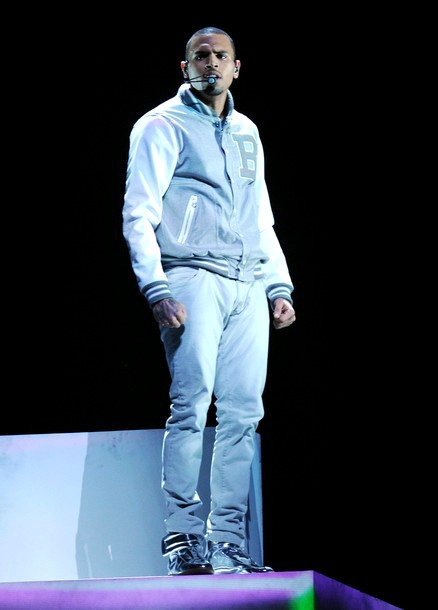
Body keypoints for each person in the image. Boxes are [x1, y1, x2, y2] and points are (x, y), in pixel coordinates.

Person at [122, 26, 296, 576]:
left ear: (236, 67)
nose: (212, 63)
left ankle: (227, 542)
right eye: (202, 56)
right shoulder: (162, 125)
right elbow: (138, 213)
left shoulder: (247, 132)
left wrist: (278, 284)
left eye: (221, 56)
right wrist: (156, 286)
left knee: (244, 413)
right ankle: (183, 538)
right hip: (192, 276)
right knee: (191, 404)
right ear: (186, 67)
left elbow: (260, 215)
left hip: (246, 283)